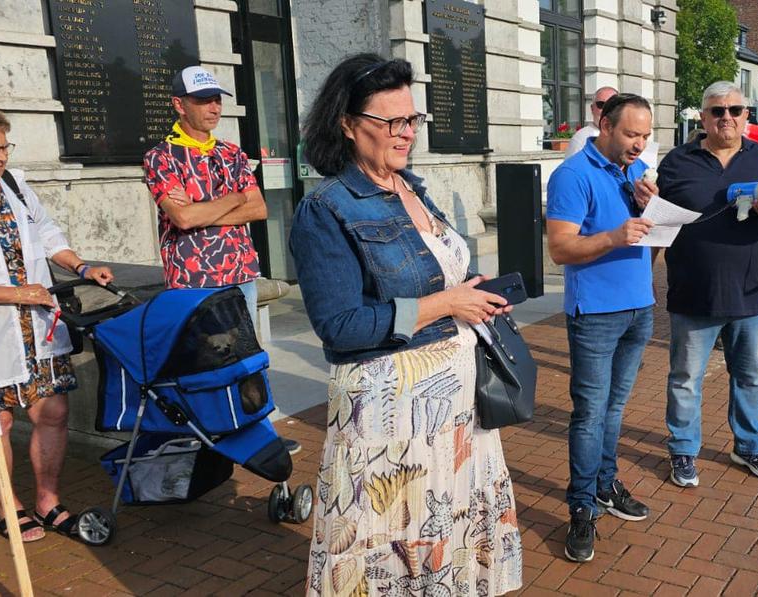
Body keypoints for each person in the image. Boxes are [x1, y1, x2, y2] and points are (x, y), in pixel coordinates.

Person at [290, 54, 522, 596]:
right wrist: (447, 304)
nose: (406, 134)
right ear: (347, 124)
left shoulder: (411, 186)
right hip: (390, 415)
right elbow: (340, 327)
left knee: (446, 532)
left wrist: (473, 293)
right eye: (391, 122)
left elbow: (433, 276)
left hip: (454, 406)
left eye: (411, 120)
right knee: (389, 549)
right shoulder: (326, 208)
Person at [0, 102, 115, 542]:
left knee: (54, 412)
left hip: (37, 326)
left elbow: (47, 234)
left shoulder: (13, 184)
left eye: (4, 146)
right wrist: (14, 294)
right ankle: (8, 507)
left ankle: (47, 500)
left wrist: (80, 267)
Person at [657, 81, 758, 488]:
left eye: (735, 110)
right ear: (703, 118)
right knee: (686, 378)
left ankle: (747, 446)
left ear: (747, 116)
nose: (727, 117)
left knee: (750, 376)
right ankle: (684, 451)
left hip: (751, 292)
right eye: (717, 111)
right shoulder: (676, 162)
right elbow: (656, 219)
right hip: (693, 292)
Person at [141, 66, 301, 454]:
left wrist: (205, 208)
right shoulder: (160, 157)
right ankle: (206, 437)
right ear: (179, 105)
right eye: (203, 100)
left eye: (216, 99)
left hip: (240, 272)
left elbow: (259, 208)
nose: (214, 107)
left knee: (248, 357)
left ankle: (260, 434)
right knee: (202, 360)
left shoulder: (232, 153)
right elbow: (182, 218)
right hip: (192, 278)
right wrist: (231, 200)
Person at [546, 92, 658, 562]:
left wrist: (652, 208)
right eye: (632, 135)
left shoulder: (633, 173)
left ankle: (605, 484)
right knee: (590, 413)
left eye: (646, 137)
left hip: (640, 306)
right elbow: (560, 249)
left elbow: (648, 236)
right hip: (595, 313)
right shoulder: (571, 175)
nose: (640, 145)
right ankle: (581, 507)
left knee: (615, 408)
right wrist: (614, 236)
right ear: (605, 125)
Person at [564, 86, 660, 168]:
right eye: (601, 104)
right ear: (592, 108)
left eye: (645, 137)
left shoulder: (640, 168)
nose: (640, 146)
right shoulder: (580, 139)